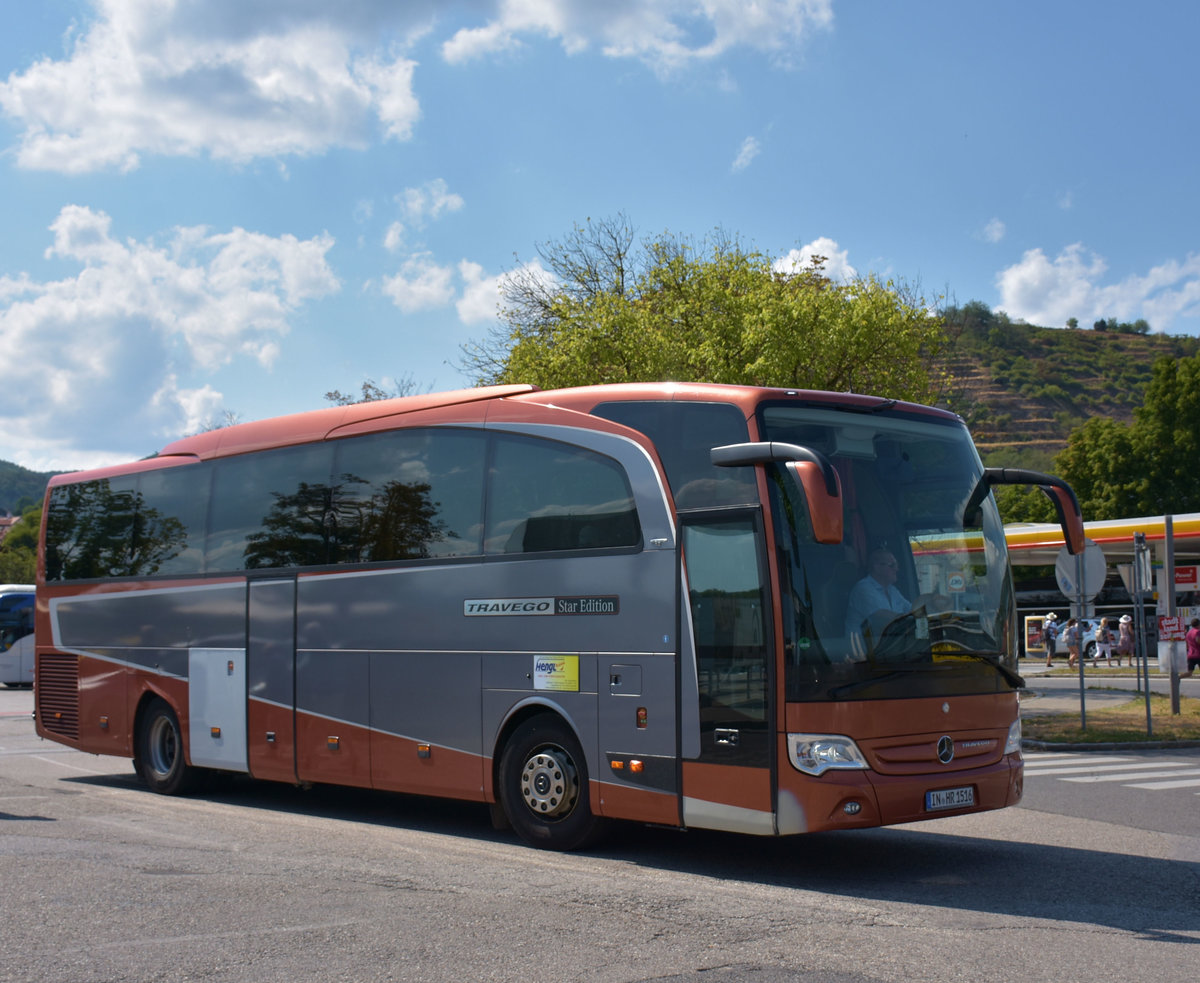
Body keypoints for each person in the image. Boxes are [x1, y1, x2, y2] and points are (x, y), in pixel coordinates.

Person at [844, 549, 912, 644]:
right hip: (860, 652)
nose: (896, 569)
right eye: (892, 565)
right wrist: (912, 619)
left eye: (896, 565)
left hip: (885, 646)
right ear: (877, 568)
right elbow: (882, 618)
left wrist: (931, 603)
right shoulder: (863, 588)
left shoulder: (892, 590)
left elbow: (911, 609)